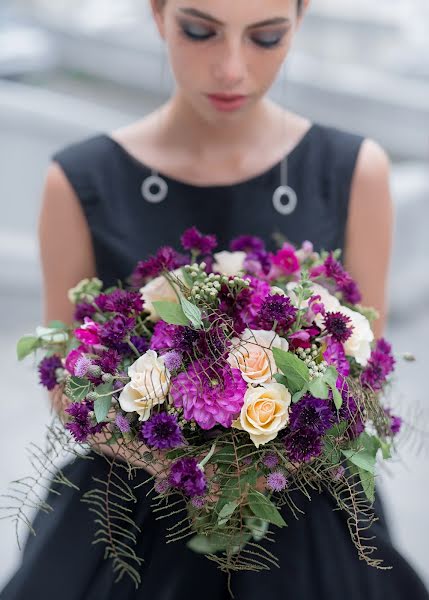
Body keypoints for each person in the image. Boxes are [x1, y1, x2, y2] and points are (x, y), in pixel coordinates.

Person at [1, 0, 428, 598]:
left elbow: (365, 368)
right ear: (157, 15)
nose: (231, 69)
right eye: (200, 31)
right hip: (129, 515)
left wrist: (270, 462)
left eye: (266, 37)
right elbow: (64, 380)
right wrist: (176, 462)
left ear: (299, 23)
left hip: (304, 514)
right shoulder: (81, 179)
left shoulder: (354, 170)